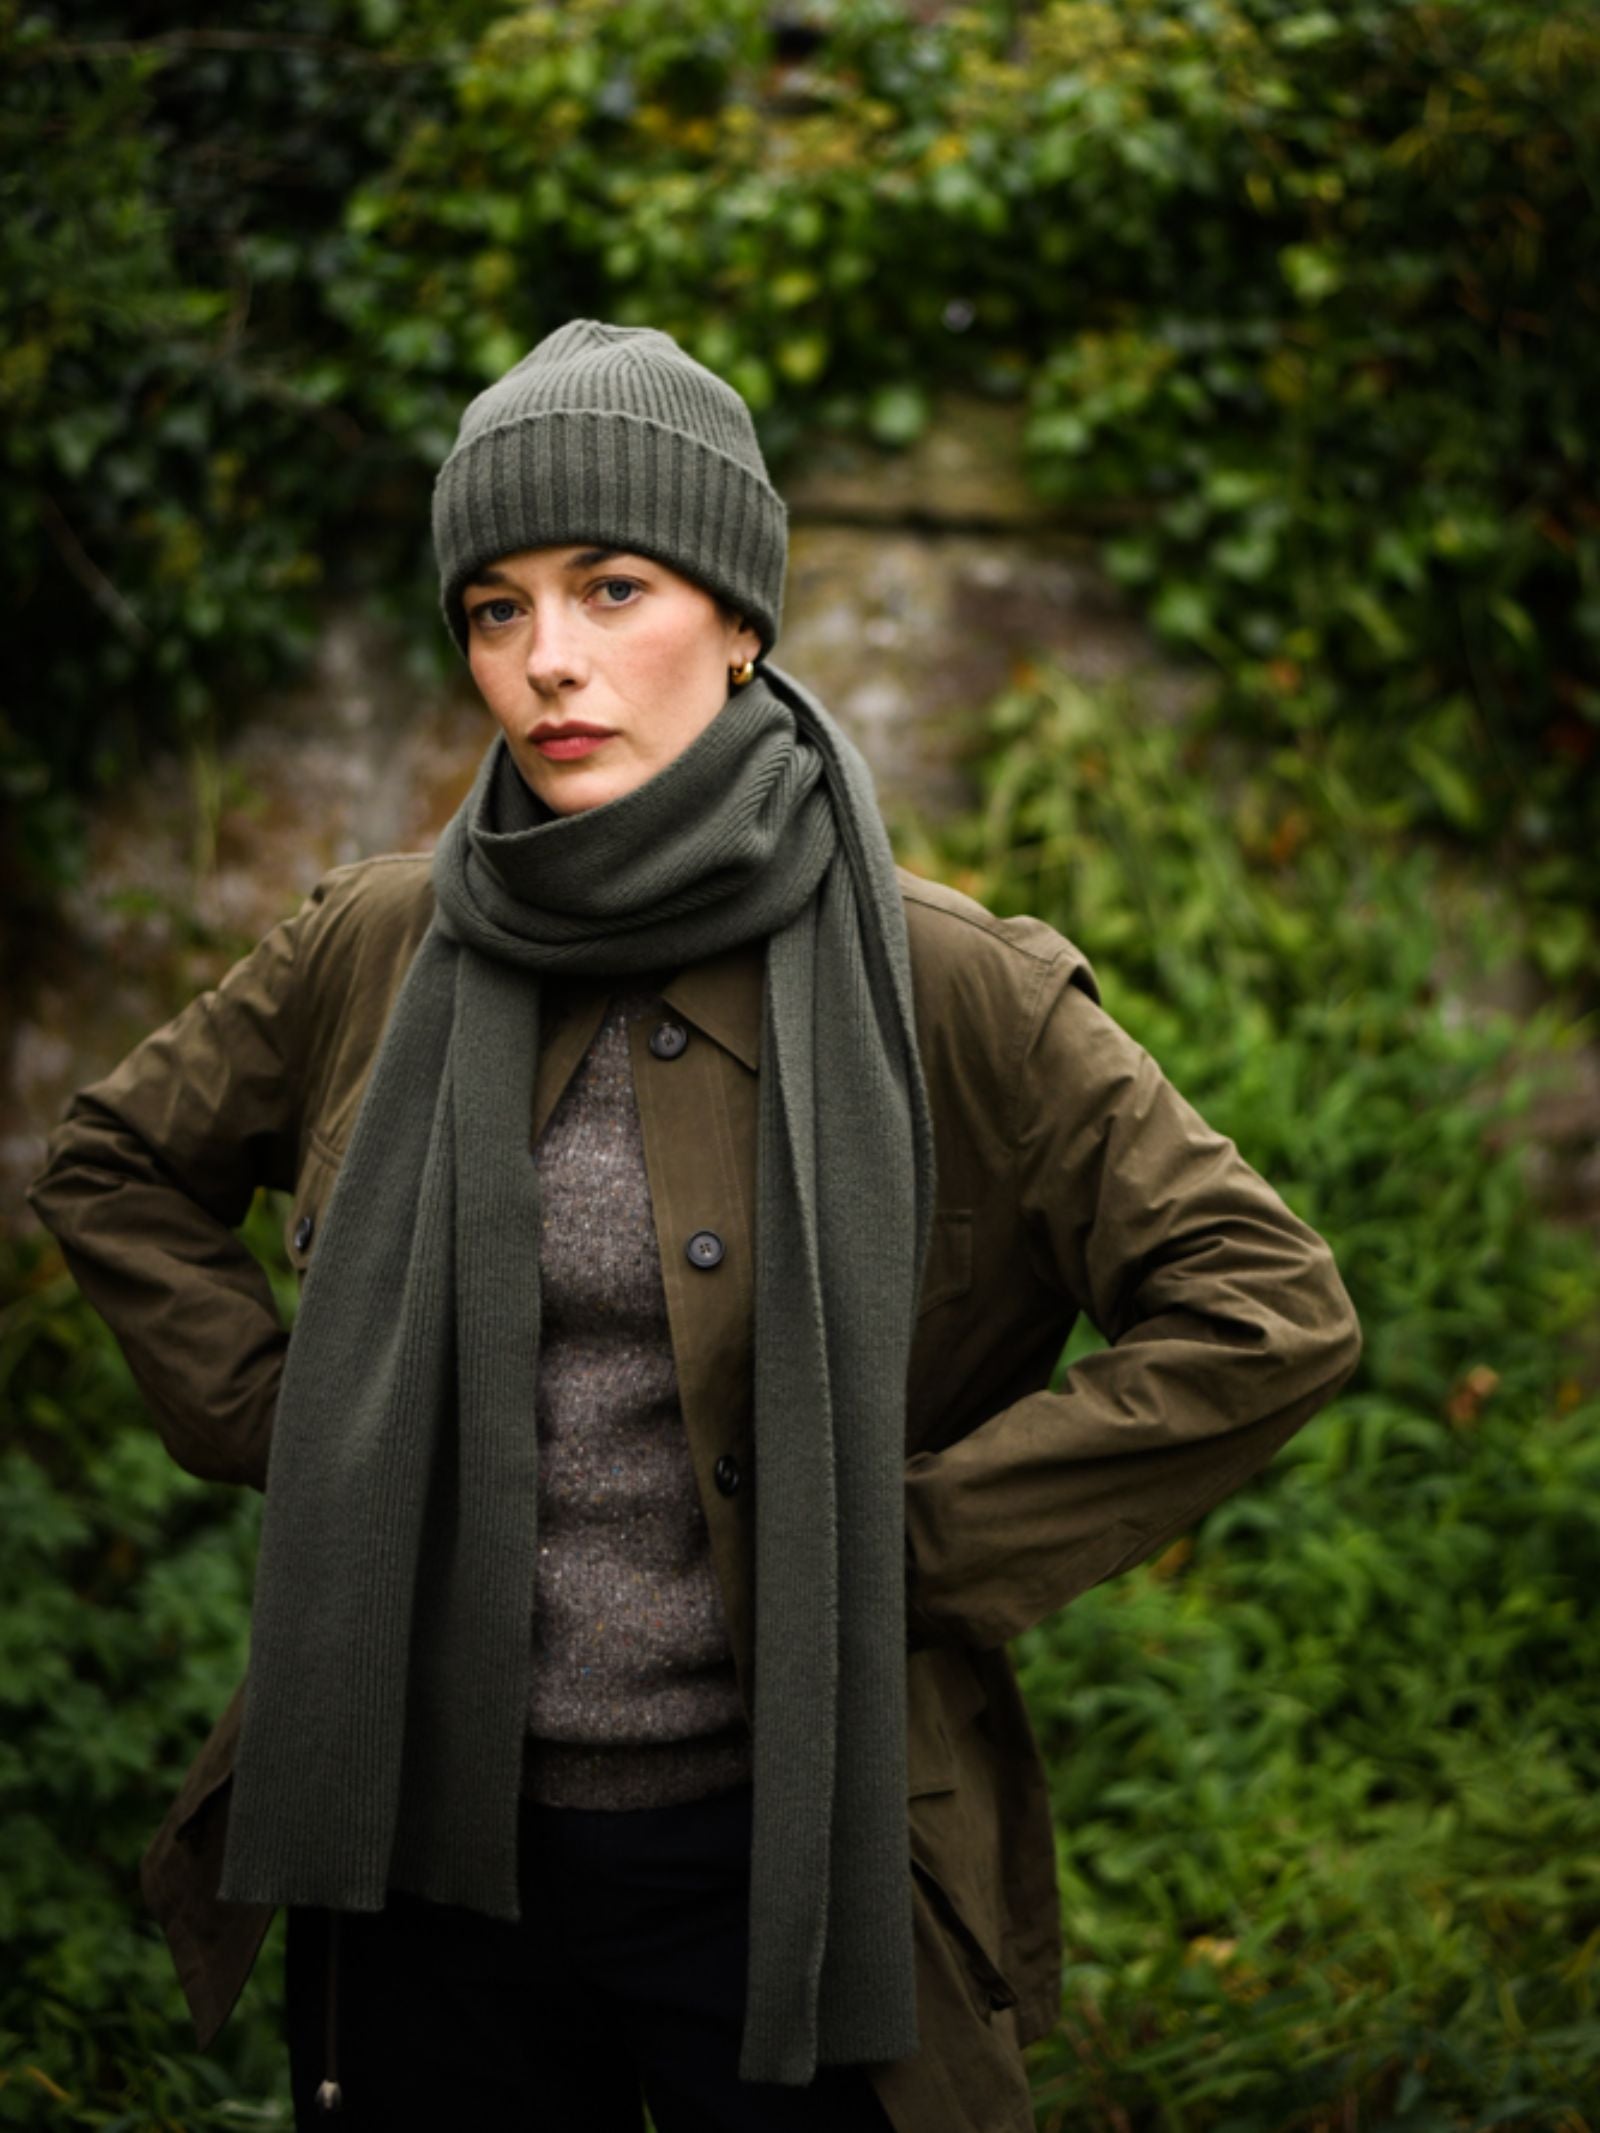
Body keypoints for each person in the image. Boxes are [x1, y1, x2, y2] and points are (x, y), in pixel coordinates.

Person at [27, 318, 1362, 2133]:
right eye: (495, 608)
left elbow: (1264, 1307)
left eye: (612, 586)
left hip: (793, 1859)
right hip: (430, 1856)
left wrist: (909, 1546)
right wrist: (310, 1425)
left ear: (739, 617)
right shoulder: (380, 939)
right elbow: (113, 1162)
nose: (547, 661)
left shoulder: (942, 977)